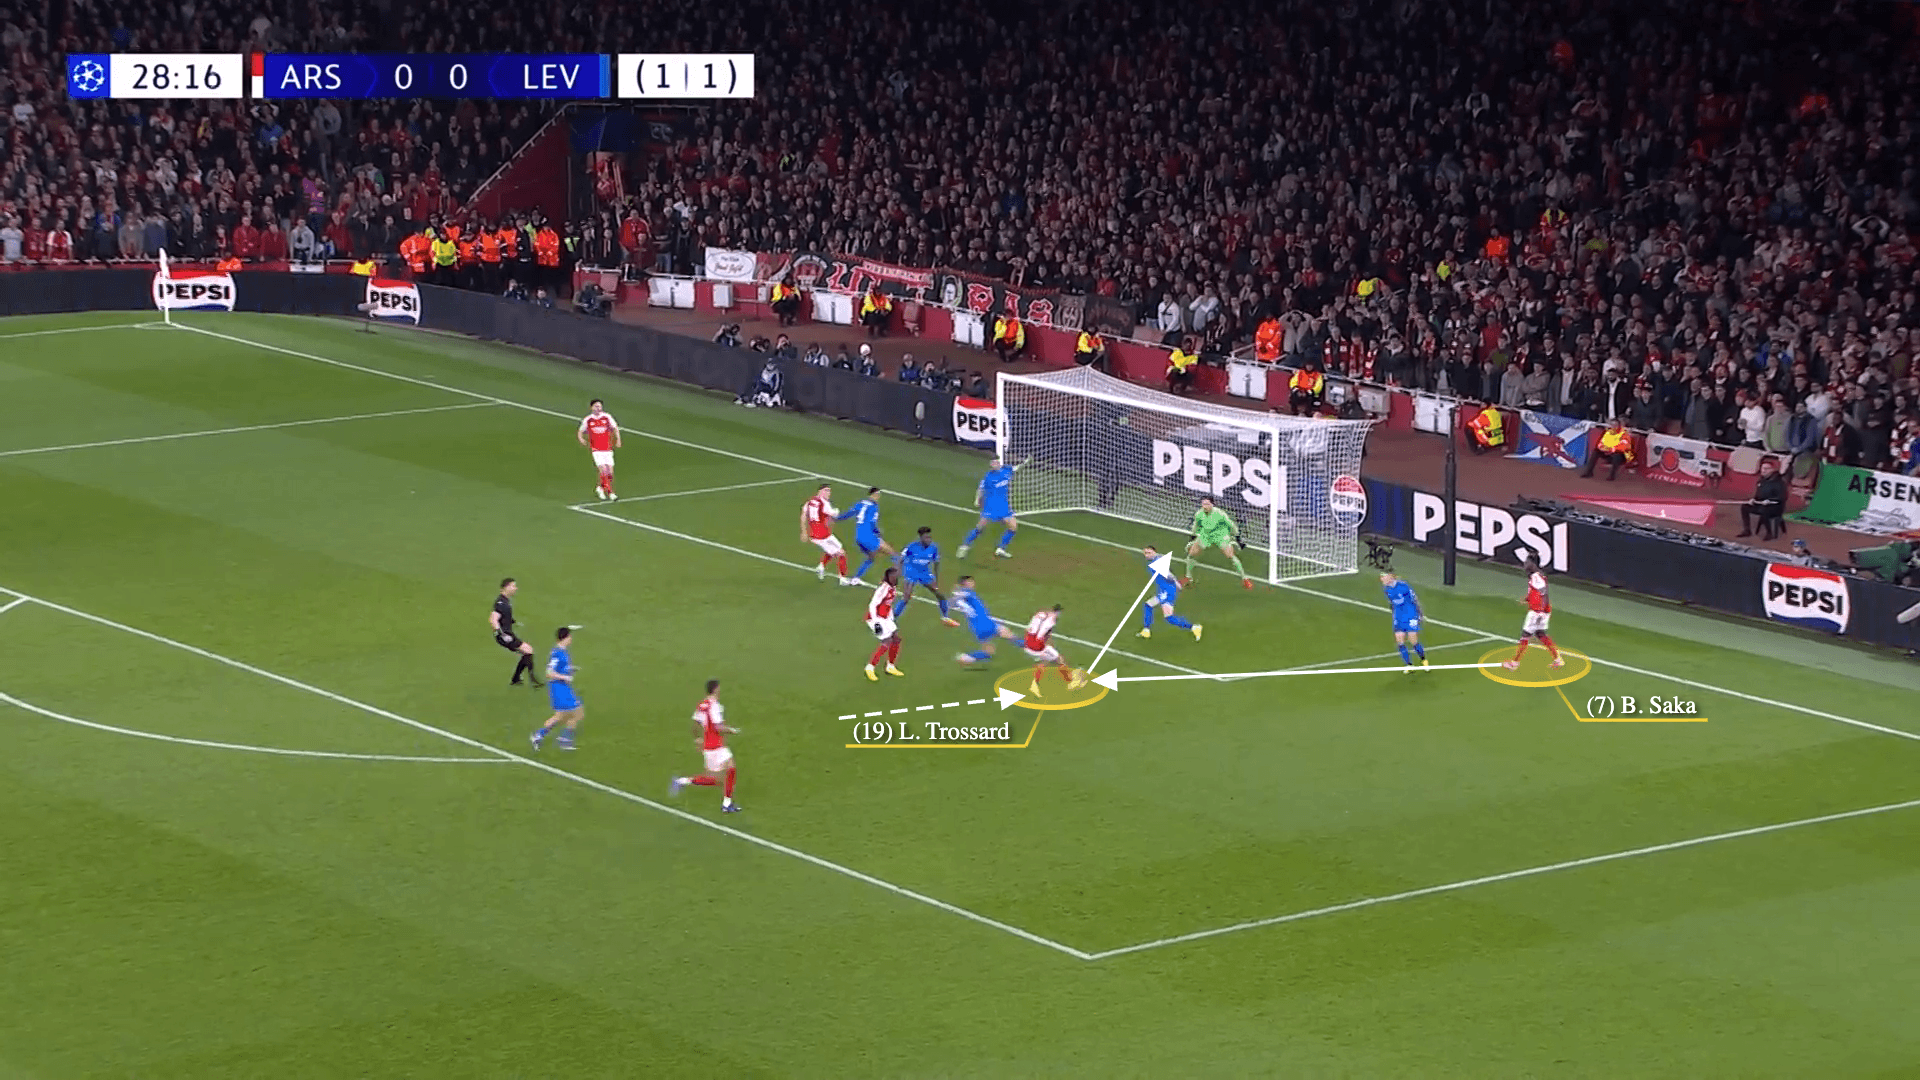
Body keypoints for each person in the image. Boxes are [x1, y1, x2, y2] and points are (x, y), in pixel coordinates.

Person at [670, 679, 741, 813]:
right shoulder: (714, 706)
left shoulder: (702, 705)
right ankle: (682, 781)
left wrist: (697, 739)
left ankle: (726, 804)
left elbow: (695, 724)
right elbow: (718, 727)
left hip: (710, 746)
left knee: (729, 770)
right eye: (719, 688)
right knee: (718, 778)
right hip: (715, 747)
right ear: (715, 689)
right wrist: (732, 730)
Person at [957, 456, 1026, 559]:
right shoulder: (989, 477)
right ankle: (965, 546)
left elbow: (1016, 468)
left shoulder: (1006, 470)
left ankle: (1001, 549)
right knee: (980, 527)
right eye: (992, 463)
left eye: (995, 462)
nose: (994, 465)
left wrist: (1025, 462)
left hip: (1003, 506)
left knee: (1013, 527)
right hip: (991, 506)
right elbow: (980, 489)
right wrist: (977, 499)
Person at [1502, 556, 1564, 670]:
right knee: (1541, 634)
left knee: (1525, 637)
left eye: (1528, 563)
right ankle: (1558, 659)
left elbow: (1544, 594)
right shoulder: (1536, 576)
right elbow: (1536, 592)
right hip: (1542, 611)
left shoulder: (1536, 577)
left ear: (1533, 565)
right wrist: (1527, 599)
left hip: (1537, 612)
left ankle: (1514, 663)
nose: (1525, 565)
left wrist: (1540, 611)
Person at [528, 626, 582, 751]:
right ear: (565, 638)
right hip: (559, 688)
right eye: (570, 637)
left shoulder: (563, 651)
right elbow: (549, 673)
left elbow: (560, 668)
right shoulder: (557, 653)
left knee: (565, 715)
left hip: (564, 687)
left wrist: (570, 670)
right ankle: (561, 739)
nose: (571, 639)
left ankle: (543, 736)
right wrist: (564, 677)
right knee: (574, 713)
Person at [1183, 496, 1253, 589]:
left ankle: (1245, 579)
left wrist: (1238, 539)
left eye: (1207, 504)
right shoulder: (1199, 514)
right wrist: (1192, 539)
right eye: (1203, 504)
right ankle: (1188, 578)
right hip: (1206, 536)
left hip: (1220, 536)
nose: (1205, 506)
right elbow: (1195, 526)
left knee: (1231, 556)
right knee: (1191, 555)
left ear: (1212, 504)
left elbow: (1231, 525)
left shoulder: (1220, 514)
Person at [894, 526, 958, 624]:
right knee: (906, 596)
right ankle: (893, 617)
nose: (929, 540)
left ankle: (945, 617)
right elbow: (901, 559)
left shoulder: (934, 548)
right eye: (926, 538)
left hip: (924, 572)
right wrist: (898, 571)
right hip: (911, 571)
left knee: (940, 594)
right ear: (921, 538)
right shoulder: (912, 547)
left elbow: (936, 564)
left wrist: (935, 579)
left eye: (930, 537)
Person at [1137, 548, 1201, 641]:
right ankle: (1146, 630)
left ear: (1154, 552)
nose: (1147, 555)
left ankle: (1194, 627)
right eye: (1145, 553)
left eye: (1149, 553)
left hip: (1167, 591)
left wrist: (1176, 583)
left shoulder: (1157, 563)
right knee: (1152, 607)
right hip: (1165, 590)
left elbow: (1169, 575)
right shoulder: (1157, 559)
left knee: (1164, 614)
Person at [1022, 604, 1088, 695]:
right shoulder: (1052, 620)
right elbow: (1046, 636)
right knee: (1058, 659)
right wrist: (1047, 646)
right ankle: (1071, 682)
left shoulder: (1039, 614)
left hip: (1027, 644)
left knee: (1046, 660)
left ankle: (1035, 685)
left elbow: (1027, 630)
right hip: (1037, 647)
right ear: (1058, 612)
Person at [951, 576, 1017, 665]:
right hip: (984, 623)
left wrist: (956, 594)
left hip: (976, 627)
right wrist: (958, 594)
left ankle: (966, 657)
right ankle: (1032, 650)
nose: (973, 583)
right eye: (970, 581)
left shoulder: (962, 596)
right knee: (1010, 635)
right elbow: (959, 597)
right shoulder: (966, 592)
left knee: (989, 651)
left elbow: (952, 602)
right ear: (965, 583)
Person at [490, 577, 541, 687]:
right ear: (506, 587)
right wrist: (501, 634)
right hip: (505, 636)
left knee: (527, 652)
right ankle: (532, 680)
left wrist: (513, 621)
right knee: (528, 650)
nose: (516, 588)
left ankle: (516, 679)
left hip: (507, 634)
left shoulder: (505, 601)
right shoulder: (501, 603)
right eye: (513, 586)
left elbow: (503, 617)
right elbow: (493, 619)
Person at [836, 486, 893, 582]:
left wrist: (837, 518)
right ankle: (900, 574)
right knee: (891, 552)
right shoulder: (874, 507)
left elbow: (848, 514)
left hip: (859, 537)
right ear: (871, 495)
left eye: (879, 495)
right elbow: (872, 523)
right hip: (868, 537)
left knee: (871, 557)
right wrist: (878, 532)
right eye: (876, 494)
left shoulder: (860, 503)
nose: (878, 497)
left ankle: (856, 578)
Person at [801, 483, 852, 584]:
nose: (829, 493)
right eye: (826, 490)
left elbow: (803, 515)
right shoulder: (824, 504)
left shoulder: (810, 502)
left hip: (819, 534)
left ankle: (821, 567)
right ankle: (842, 579)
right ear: (820, 491)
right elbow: (834, 515)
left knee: (835, 549)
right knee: (841, 553)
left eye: (829, 491)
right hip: (822, 536)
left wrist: (804, 531)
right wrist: (836, 511)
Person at [864, 567, 906, 681]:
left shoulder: (893, 588)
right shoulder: (883, 589)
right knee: (886, 641)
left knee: (896, 639)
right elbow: (873, 605)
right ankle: (870, 667)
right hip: (876, 618)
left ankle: (890, 666)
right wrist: (876, 623)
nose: (895, 578)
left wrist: (891, 618)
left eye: (896, 575)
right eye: (893, 576)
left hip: (886, 617)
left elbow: (888, 604)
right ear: (888, 577)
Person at [1381, 571, 1428, 670]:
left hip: (1411, 614)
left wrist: (1420, 614)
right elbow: (1392, 603)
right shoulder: (1386, 589)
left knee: (1413, 640)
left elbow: (1415, 599)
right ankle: (1409, 665)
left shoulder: (1404, 586)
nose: (1382, 580)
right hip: (1399, 616)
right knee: (1400, 641)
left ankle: (1423, 660)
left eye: (1383, 577)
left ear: (1390, 577)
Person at [578, 399, 620, 501]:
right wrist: (581, 439)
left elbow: (615, 428)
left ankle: (600, 488)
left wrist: (618, 439)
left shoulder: (607, 417)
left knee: (610, 473)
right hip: (596, 449)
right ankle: (611, 492)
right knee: (603, 470)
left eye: (600, 406)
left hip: (607, 448)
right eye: (596, 406)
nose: (598, 408)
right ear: (591, 407)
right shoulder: (588, 419)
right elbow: (580, 431)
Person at [1739, 458, 1788, 539]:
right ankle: (1747, 530)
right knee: (1745, 507)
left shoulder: (1779, 482)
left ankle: (1769, 533)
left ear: (1772, 470)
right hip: (1761, 504)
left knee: (1764, 510)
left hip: (1775, 507)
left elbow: (1782, 497)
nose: (1763, 470)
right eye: (1762, 468)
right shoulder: (1762, 480)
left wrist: (1770, 501)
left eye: (1766, 469)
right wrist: (1753, 500)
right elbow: (1758, 495)